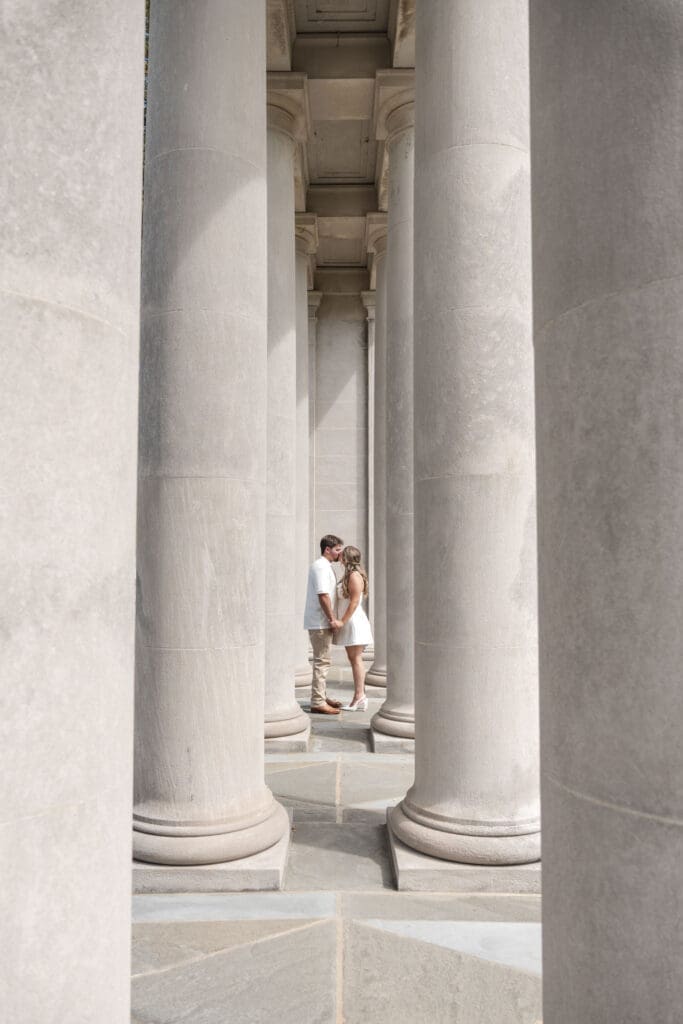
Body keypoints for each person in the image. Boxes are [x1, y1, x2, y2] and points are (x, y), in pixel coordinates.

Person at [303, 534, 345, 715]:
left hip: (320, 621)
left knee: (323, 661)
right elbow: (323, 595)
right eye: (337, 550)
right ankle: (318, 701)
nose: (340, 553)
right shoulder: (320, 567)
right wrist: (332, 619)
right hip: (320, 622)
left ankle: (321, 696)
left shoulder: (324, 566)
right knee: (322, 662)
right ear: (327, 549)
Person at [333, 545, 373, 711]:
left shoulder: (355, 576)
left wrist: (341, 622)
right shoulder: (349, 575)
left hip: (354, 622)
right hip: (350, 622)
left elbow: (354, 602)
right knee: (353, 658)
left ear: (346, 558)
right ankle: (359, 697)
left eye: (341, 555)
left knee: (356, 658)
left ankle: (359, 696)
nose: (339, 557)